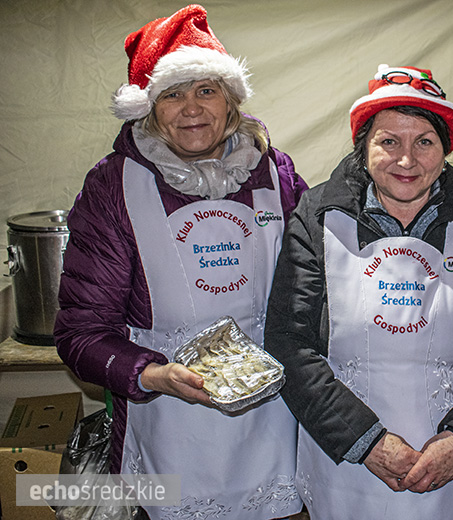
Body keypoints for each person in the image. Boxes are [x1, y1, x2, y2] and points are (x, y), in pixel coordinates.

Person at [54, 5, 307, 519]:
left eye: (206, 90)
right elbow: (80, 332)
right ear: (148, 108)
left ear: (230, 100)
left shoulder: (275, 174)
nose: (191, 108)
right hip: (167, 423)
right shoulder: (113, 187)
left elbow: (316, 285)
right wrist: (152, 375)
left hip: (275, 423)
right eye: (172, 93)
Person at [262, 64, 453, 520]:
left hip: (452, 464)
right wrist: (365, 440)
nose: (406, 160)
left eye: (424, 142)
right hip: (347, 463)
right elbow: (289, 341)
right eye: (389, 141)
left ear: (445, 151)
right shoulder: (317, 216)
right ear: (363, 148)